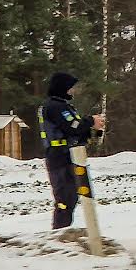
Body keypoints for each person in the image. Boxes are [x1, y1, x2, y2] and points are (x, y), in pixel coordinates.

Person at [38, 72, 105, 229]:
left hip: (69, 155)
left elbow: (76, 129)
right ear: (63, 88)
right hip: (59, 156)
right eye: (71, 87)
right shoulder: (55, 106)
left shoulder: (63, 106)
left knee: (72, 196)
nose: (73, 91)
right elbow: (72, 127)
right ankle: (59, 235)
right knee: (64, 199)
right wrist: (90, 121)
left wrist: (93, 129)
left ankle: (64, 232)